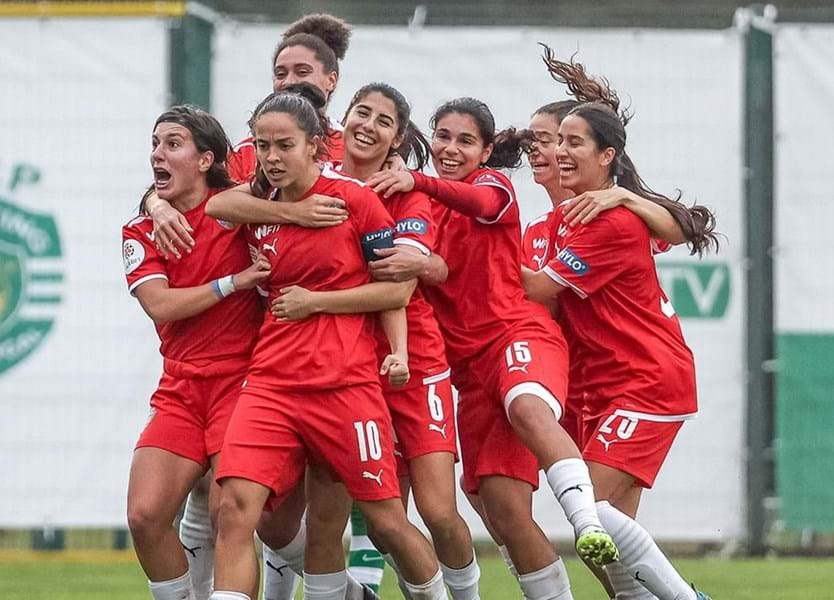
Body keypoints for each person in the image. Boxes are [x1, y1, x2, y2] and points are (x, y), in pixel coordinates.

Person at [368, 96, 619, 600]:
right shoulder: (421, 206)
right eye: (442, 136)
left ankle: (586, 522)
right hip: (467, 372)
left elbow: (480, 210)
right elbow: (435, 268)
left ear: (485, 152)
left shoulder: (492, 186)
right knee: (501, 508)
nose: (451, 149)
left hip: (516, 336)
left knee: (526, 405)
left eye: (465, 141)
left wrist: (414, 178)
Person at [206, 91, 449, 600]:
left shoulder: (356, 200)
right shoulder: (260, 204)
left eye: (284, 146)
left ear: (316, 145)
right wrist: (295, 215)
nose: (272, 158)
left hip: (344, 384)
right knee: (232, 511)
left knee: (385, 524)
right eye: (264, 146)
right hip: (270, 384)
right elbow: (216, 202)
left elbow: (397, 290)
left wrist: (317, 303)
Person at [264, 82, 481, 600]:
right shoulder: (308, 180)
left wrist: (316, 300)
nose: (369, 125)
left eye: (384, 121)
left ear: (398, 138)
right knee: (332, 518)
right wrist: (159, 205)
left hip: (414, 361)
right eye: (362, 113)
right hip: (345, 367)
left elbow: (400, 287)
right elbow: (227, 197)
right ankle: (357, 594)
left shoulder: (405, 193)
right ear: (343, 120)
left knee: (433, 512)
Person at [521, 99, 717, 600]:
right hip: (597, 387)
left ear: (606, 156)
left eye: (565, 140)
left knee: (589, 509)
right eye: (545, 141)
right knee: (599, 540)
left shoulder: (610, 218)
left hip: (646, 380)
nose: (552, 151)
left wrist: (459, 254)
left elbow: (538, 290)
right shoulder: (546, 227)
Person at [122, 106, 269, 600]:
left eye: (173, 143)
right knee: (144, 515)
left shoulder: (239, 208)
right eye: (155, 143)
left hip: (244, 383)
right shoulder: (141, 230)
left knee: (233, 514)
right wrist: (233, 282)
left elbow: (295, 193)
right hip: (182, 387)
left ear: (206, 158)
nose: (157, 153)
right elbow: (161, 304)